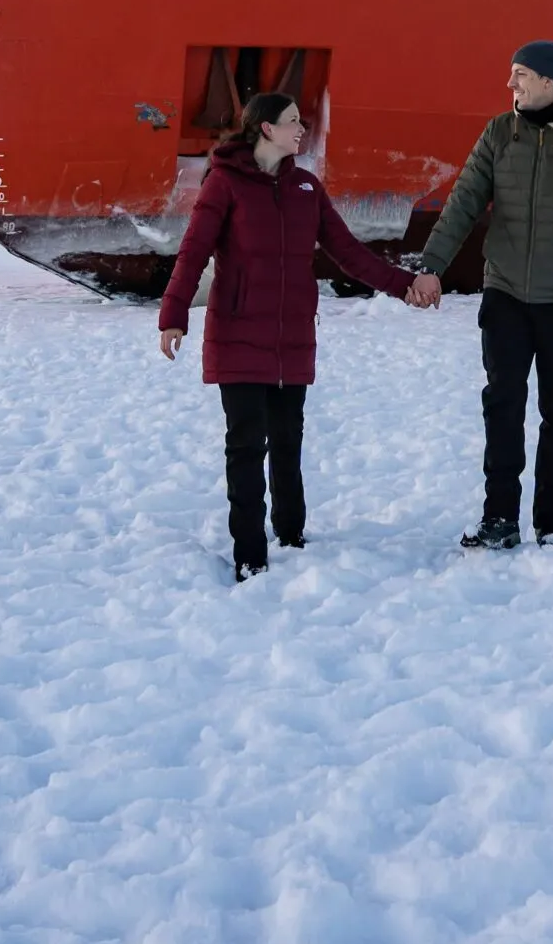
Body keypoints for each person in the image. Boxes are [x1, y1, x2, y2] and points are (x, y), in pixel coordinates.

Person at [158, 90, 436, 578]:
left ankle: (291, 536)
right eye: (292, 122)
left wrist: (405, 284)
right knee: (246, 447)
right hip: (238, 333)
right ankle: (250, 556)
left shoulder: (305, 187)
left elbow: (348, 252)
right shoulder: (224, 184)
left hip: (292, 338)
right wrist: (174, 314)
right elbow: (193, 251)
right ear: (267, 128)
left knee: (288, 441)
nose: (301, 130)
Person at [416, 41, 553, 552]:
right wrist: (431, 266)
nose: (511, 84)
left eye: (521, 75)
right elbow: (464, 201)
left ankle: (550, 522)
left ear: (550, 82)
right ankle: (499, 518)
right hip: (505, 293)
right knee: (503, 406)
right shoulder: (498, 132)